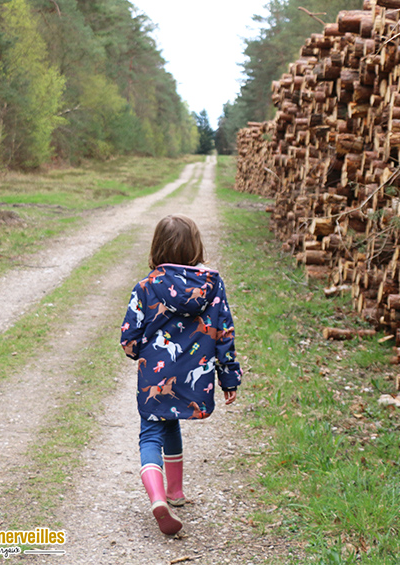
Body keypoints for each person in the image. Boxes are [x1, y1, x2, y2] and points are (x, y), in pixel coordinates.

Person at [119, 214, 242, 535]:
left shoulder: (146, 287)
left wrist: (138, 352)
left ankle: (159, 497)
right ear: (195, 248)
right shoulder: (213, 286)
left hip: (154, 376)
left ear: (157, 247)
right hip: (193, 376)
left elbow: (129, 337)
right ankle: (175, 492)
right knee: (170, 421)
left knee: (151, 431)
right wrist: (228, 377)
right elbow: (224, 332)